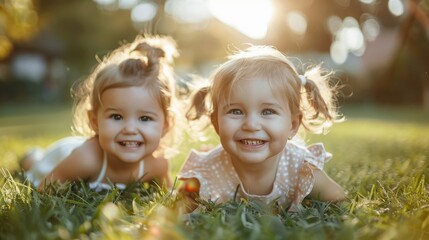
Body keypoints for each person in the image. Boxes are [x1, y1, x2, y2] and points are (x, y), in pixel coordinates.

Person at [178, 45, 346, 211]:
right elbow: (179, 207)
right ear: (216, 123)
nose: (251, 125)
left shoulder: (299, 167)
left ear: (292, 126)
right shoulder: (208, 170)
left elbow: (339, 200)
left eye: (268, 111)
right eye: (236, 111)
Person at [21, 35, 181, 191]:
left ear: (165, 125)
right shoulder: (85, 160)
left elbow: (168, 193)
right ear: (95, 121)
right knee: (35, 163)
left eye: (145, 118)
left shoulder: (157, 164)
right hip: (64, 155)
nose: (130, 129)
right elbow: (44, 187)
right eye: (116, 117)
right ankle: (33, 156)